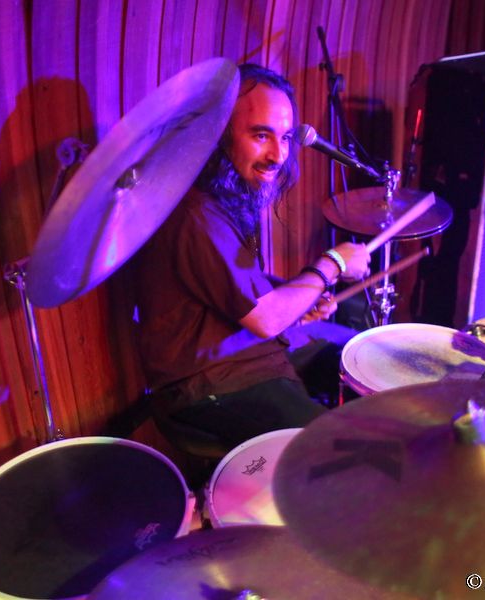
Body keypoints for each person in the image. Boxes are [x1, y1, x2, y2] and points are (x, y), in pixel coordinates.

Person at [133, 63, 370, 452]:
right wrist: (333, 264)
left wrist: (300, 297)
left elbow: (237, 287)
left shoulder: (222, 195)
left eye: (285, 137)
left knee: (364, 361)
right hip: (208, 380)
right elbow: (265, 318)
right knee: (338, 449)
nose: (278, 155)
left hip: (250, 356)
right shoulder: (196, 214)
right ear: (219, 134)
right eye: (261, 135)